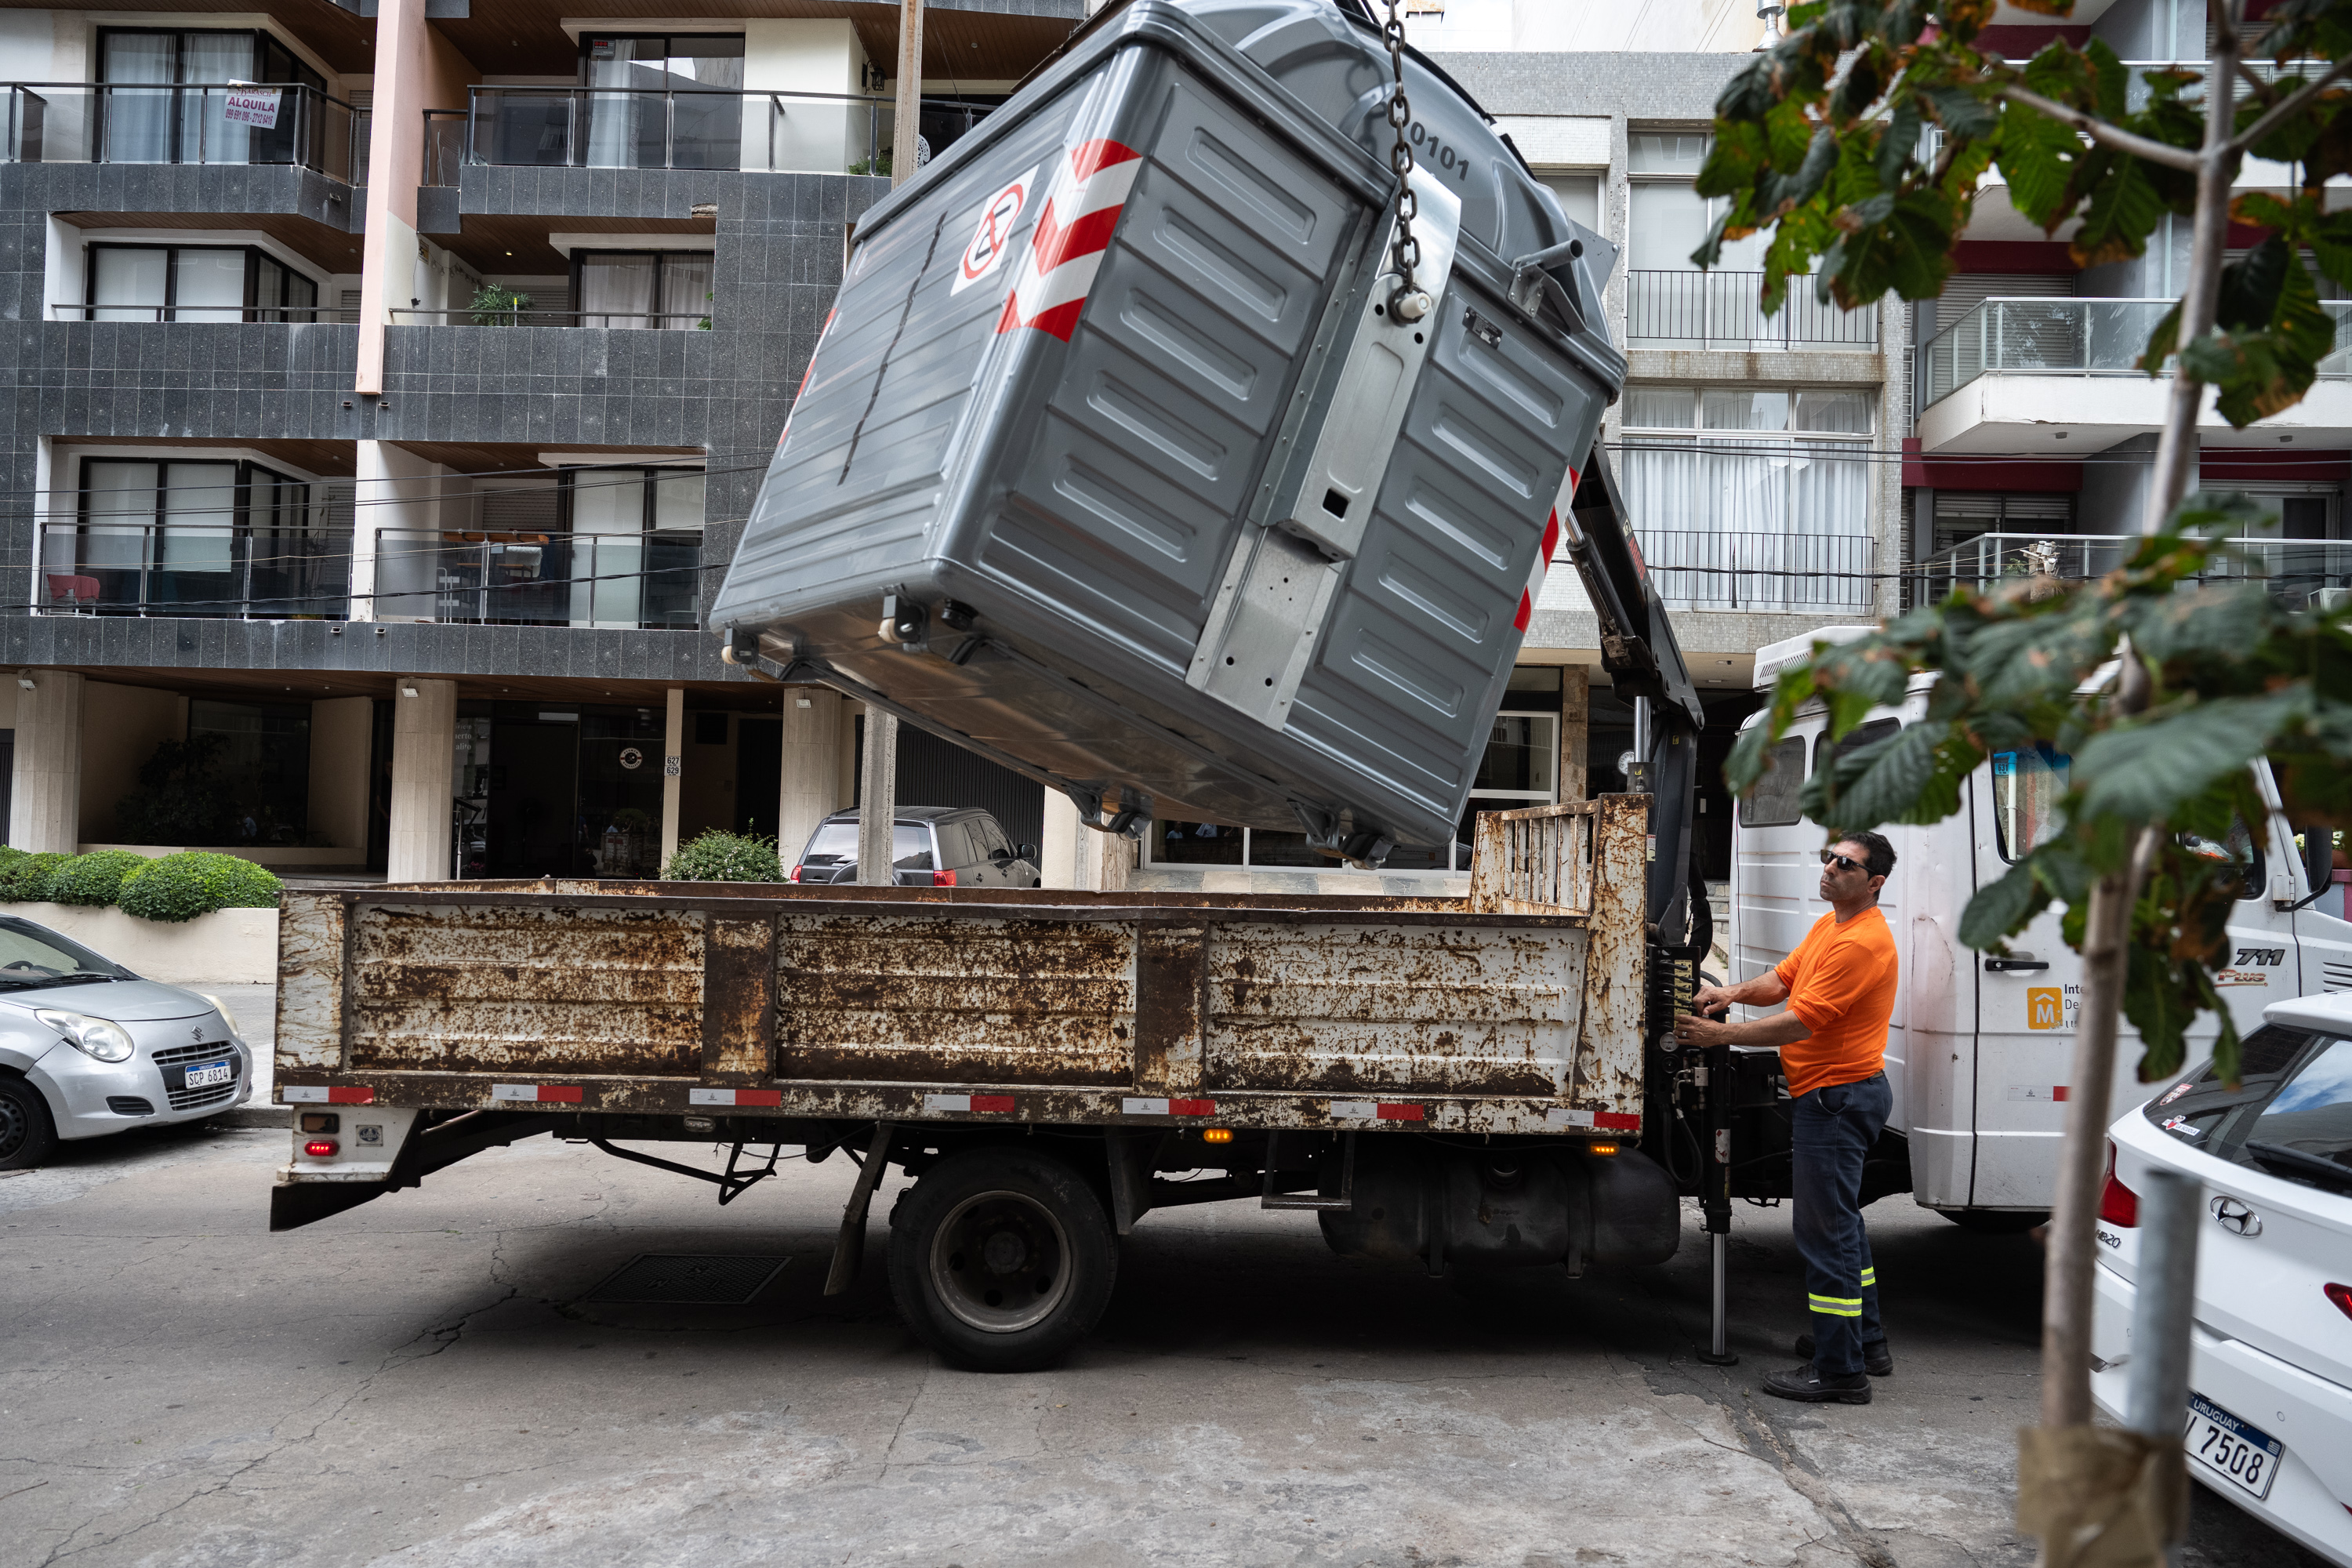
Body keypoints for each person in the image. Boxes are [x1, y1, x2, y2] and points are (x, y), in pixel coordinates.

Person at [1675, 831, 1900, 1405]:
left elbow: (1802, 1022)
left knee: (1823, 1234)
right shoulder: (1832, 925)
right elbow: (1782, 981)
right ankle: (1864, 1343)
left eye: (1845, 864)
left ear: (1873, 883)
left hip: (1838, 1097)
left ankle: (1841, 1371)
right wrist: (1727, 995)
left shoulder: (1863, 943)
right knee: (1842, 1225)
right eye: (1829, 858)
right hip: (1838, 1094)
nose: (1829, 868)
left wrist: (1718, 1034)